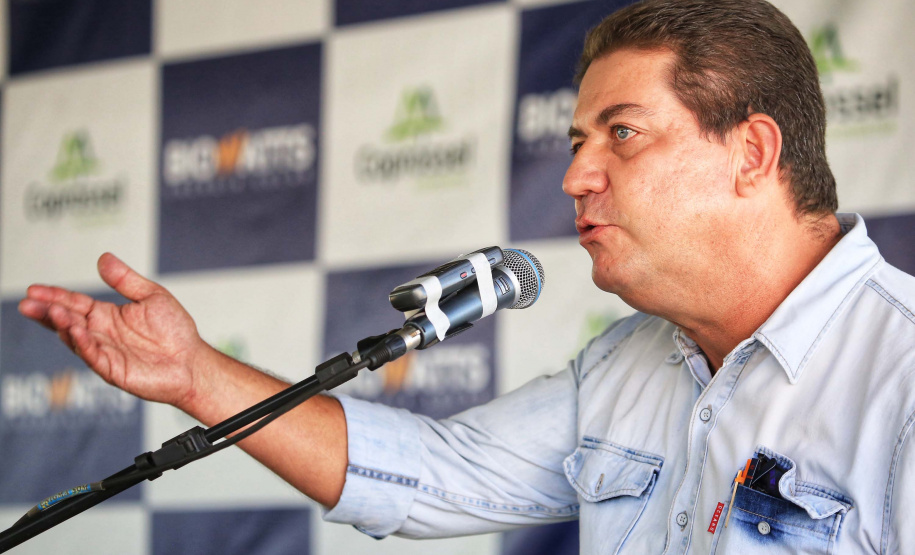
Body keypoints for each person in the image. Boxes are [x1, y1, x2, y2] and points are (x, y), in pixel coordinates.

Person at [18, 0, 915, 552]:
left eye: (623, 133)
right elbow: (432, 475)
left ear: (751, 151)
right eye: (575, 143)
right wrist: (192, 375)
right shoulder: (622, 366)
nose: (576, 177)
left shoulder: (901, 377)